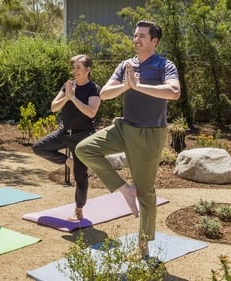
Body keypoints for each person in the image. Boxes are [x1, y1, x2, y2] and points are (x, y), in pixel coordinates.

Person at [75, 20, 181, 259]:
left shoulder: (164, 64)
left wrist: (138, 85)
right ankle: (124, 189)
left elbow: (174, 92)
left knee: (146, 192)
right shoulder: (126, 65)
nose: (136, 39)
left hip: (149, 133)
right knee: (84, 149)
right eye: (135, 35)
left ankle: (142, 247)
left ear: (154, 41)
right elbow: (104, 93)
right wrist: (127, 84)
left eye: (142, 36)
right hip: (124, 127)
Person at [32, 54, 101, 221]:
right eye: (74, 67)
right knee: (38, 147)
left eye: (78, 67)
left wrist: (74, 98)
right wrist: (66, 96)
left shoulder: (94, 89)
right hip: (64, 133)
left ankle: (78, 210)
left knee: (80, 176)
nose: (74, 71)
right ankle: (66, 161)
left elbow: (91, 112)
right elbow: (54, 107)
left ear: (87, 70)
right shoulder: (67, 86)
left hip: (83, 136)